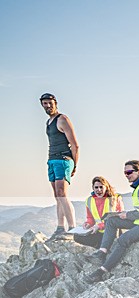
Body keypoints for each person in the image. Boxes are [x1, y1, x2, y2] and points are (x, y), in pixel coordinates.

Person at [85, 160, 139, 282]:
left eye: (129, 172)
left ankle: (101, 272)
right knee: (112, 221)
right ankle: (101, 253)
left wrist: (128, 215)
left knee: (123, 240)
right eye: (125, 173)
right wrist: (122, 214)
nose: (127, 175)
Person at [39, 93, 79, 239]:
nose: (48, 106)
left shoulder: (62, 119)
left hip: (63, 159)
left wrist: (74, 165)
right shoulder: (48, 122)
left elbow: (75, 145)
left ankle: (73, 228)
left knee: (62, 194)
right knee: (57, 196)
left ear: (55, 103)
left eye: (50, 103)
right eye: (45, 103)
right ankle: (60, 227)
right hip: (52, 160)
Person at [74, 176, 123, 249]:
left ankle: (101, 246)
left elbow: (119, 217)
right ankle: (98, 245)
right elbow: (90, 218)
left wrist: (99, 226)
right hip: (98, 232)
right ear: (93, 188)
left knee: (104, 245)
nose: (99, 190)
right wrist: (87, 224)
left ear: (106, 187)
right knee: (76, 237)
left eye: (101, 187)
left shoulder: (115, 198)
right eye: (96, 187)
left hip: (112, 232)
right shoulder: (89, 200)